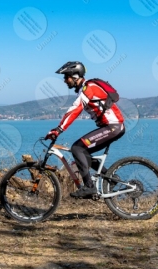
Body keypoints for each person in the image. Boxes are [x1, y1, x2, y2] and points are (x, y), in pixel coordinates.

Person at [44, 61, 125, 198]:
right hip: (111, 127)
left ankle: (89, 187)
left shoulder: (89, 88)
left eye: (66, 77)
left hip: (113, 127)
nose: (64, 81)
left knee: (77, 148)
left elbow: (75, 110)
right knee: (83, 152)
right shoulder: (84, 89)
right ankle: (110, 178)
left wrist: (58, 129)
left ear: (75, 76)